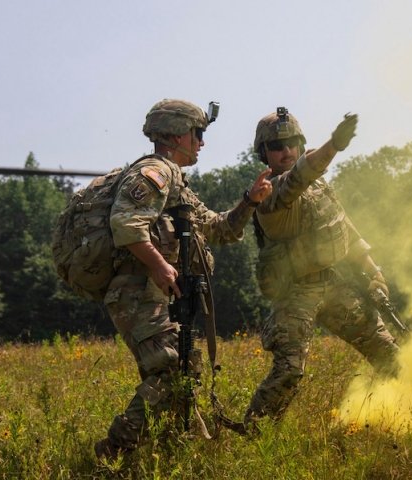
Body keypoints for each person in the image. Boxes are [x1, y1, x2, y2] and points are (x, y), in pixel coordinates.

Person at [94, 98, 273, 460]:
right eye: (198, 133)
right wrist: (161, 266)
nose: (202, 142)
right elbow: (125, 224)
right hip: (138, 291)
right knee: (171, 369)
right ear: (177, 134)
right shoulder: (155, 171)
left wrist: (249, 201)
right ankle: (113, 451)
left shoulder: (179, 185)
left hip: (159, 294)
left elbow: (220, 229)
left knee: (182, 374)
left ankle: (175, 450)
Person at [244, 107, 400, 429]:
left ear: (300, 144)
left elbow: (345, 229)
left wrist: (373, 272)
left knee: (388, 352)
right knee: (289, 370)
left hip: (332, 284)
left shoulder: (319, 185)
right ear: (265, 155)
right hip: (294, 293)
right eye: (276, 146)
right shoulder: (269, 195)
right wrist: (334, 145)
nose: (285, 150)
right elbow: (298, 177)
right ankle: (254, 433)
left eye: (291, 142)